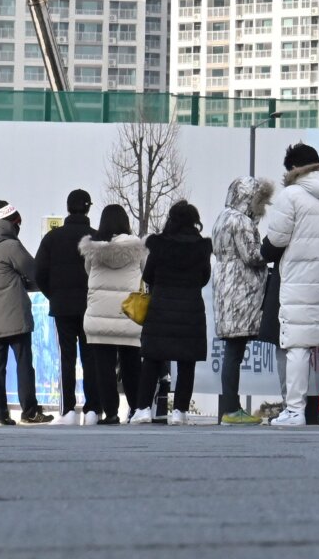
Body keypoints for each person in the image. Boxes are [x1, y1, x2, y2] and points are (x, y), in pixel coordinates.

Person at [265, 145, 319, 427]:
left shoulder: (291, 195)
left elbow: (276, 241)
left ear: (293, 168)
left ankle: (295, 411)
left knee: (298, 346)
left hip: (300, 282)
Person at [0, 201, 50, 426]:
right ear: (12, 223)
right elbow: (35, 271)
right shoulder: (10, 246)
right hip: (15, 313)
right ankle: (29, 412)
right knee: (23, 364)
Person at [140, 199, 211, 425]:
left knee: (152, 359)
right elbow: (204, 278)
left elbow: (148, 275)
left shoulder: (159, 245)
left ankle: (142, 409)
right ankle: (180, 411)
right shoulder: (201, 247)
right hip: (190, 310)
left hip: (160, 308)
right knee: (186, 362)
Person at [211, 176, 275, 426]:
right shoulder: (241, 221)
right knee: (235, 351)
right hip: (240, 287)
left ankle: (231, 406)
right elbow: (253, 255)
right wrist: (271, 246)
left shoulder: (222, 217)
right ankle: (232, 408)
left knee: (232, 349)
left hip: (226, 285)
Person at [34, 189, 96, 425]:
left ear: (68, 208)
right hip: (91, 306)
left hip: (62, 307)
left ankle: (68, 411)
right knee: (91, 358)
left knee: (66, 358)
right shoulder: (96, 237)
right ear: (88, 208)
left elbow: (39, 272)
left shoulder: (52, 238)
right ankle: (92, 410)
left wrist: (54, 295)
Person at [83, 203, 147, 425]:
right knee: (131, 365)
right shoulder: (137, 247)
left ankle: (110, 413)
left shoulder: (93, 250)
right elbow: (144, 271)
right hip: (128, 312)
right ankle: (136, 409)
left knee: (104, 367)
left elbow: (88, 272)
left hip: (99, 314)